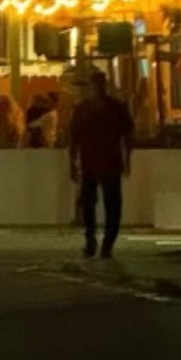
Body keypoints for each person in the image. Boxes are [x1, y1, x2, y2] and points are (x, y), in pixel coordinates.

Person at [69, 69, 134, 259]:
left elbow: (127, 135)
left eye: (99, 85)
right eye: (94, 86)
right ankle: (93, 241)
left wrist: (127, 159)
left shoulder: (114, 108)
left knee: (111, 204)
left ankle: (105, 243)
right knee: (90, 203)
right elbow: (74, 138)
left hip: (108, 161)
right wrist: (72, 162)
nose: (97, 89)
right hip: (92, 161)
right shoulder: (84, 109)